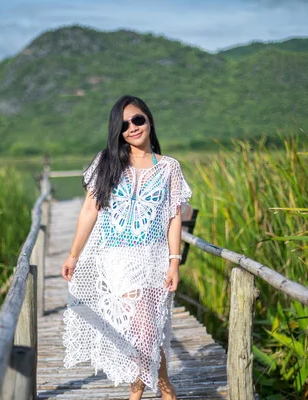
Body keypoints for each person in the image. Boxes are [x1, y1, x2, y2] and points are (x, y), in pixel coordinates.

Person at [61, 95, 192, 400]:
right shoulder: (107, 162)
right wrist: (73, 255)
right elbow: (89, 211)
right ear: (117, 131)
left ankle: (139, 393)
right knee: (144, 327)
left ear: (149, 120)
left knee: (147, 326)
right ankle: (163, 385)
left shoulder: (169, 167)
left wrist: (174, 262)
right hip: (116, 260)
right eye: (124, 125)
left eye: (137, 120)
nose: (132, 128)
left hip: (153, 258)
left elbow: (174, 217)